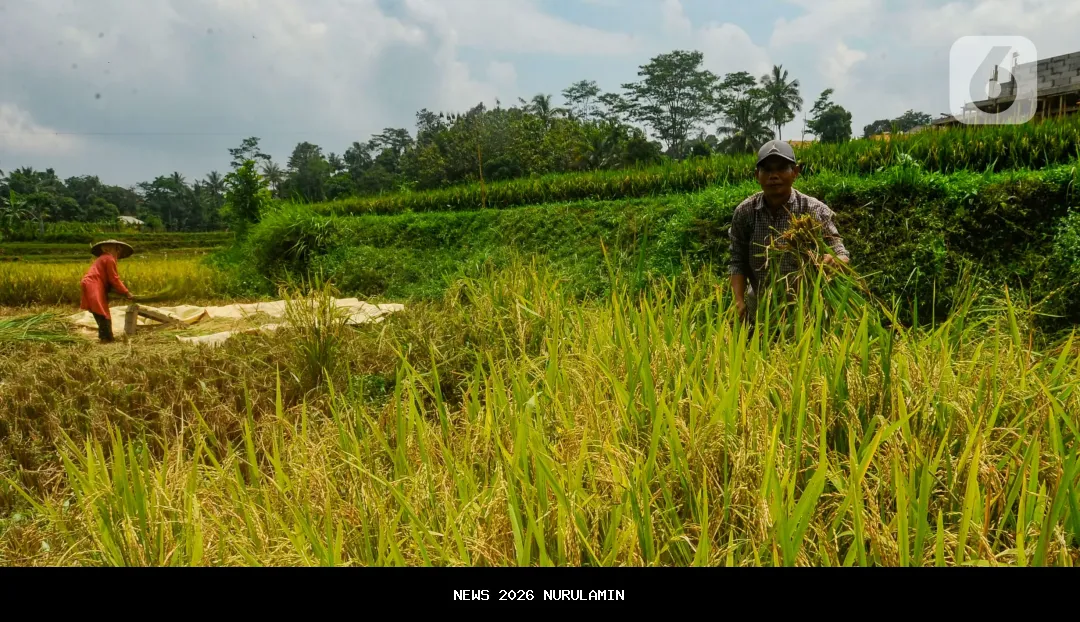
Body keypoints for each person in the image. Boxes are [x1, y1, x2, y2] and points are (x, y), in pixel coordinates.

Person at [728, 140, 850, 324]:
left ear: (795, 172)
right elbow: (737, 261)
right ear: (756, 175)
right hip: (759, 314)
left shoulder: (814, 211)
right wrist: (738, 300)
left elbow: (842, 254)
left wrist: (835, 261)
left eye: (781, 168)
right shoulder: (745, 213)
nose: (773, 176)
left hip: (808, 315)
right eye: (767, 170)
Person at [80, 240, 135, 343]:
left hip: (92, 284)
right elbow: (114, 279)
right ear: (114, 249)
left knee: (101, 311)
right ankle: (106, 338)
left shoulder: (104, 258)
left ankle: (107, 337)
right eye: (118, 249)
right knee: (102, 312)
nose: (119, 252)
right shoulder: (109, 259)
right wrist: (126, 292)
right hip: (94, 284)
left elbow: (110, 279)